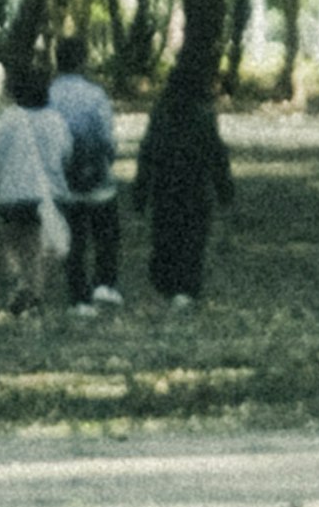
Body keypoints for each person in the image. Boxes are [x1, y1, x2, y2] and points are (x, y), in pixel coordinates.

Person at [138, 40, 237, 304]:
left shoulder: (161, 114)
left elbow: (147, 152)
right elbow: (217, 155)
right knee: (192, 238)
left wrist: (141, 190)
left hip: (165, 185)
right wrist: (224, 189)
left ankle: (167, 282)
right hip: (195, 187)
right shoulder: (204, 116)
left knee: (165, 235)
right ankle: (187, 287)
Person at [0, 60, 68, 317]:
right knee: (37, 250)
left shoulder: (9, 118)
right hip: (45, 194)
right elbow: (66, 154)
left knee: (10, 241)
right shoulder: (55, 120)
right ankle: (35, 296)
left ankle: (17, 281)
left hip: (11, 192)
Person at [48, 32, 123, 307]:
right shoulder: (96, 95)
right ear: (82, 61)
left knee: (74, 238)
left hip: (64, 179)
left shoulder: (48, 95)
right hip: (97, 175)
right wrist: (108, 159)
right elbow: (106, 136)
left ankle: (78, 294)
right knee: (106, 234)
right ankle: (105, 282)